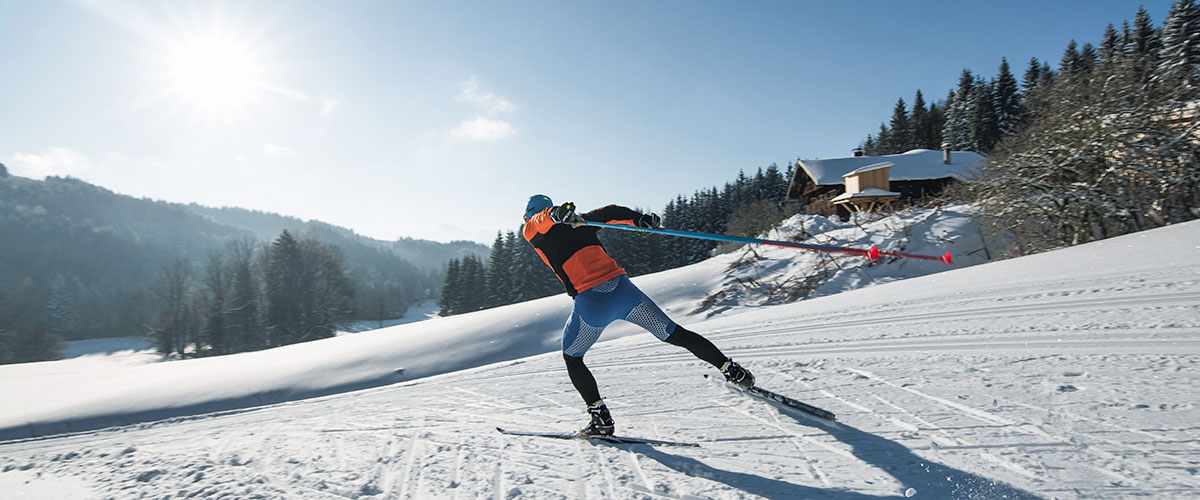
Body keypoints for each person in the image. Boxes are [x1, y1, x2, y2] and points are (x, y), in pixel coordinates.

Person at [521, 194, 755, 436]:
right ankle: (731, 369)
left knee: (572, 357)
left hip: (592, 302)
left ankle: (600, 417)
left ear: (528, 213)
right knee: (675, 333)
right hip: (624, 293)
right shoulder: (579, 221)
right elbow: (610, 212)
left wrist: (556, 215)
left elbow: (539, 221)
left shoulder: (532, 228)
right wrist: (639, 219)